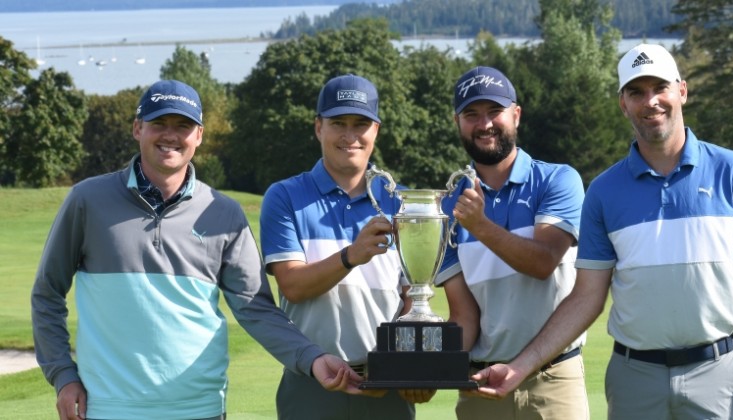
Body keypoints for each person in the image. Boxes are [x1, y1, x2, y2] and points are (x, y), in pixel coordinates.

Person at [470, 44, 733, 420]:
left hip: (716, 372)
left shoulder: (731, 171)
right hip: (633, 377)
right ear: (623, 104)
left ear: (682, 91)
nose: (651, 101)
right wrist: (520, 367)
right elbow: (586, 297)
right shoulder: (604, 191)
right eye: (636, 92)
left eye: (660, 87)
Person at [31, 80, 367, 420]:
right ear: (137, 129)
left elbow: (256, 309)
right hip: (108, 408)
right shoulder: (88, 200)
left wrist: (312, 358)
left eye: (183, 126)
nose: (170, 136)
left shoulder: (224, 212)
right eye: (159, 124)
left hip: (200, 409)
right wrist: (62, 375)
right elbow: (47, 294)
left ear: (199, 135)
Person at [259, 74, 420, 419]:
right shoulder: (285, 196)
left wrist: (402, 362)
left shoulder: (401, 201)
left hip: (387, 387)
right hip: (312, 383)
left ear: (375, 130)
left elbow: (412, 298)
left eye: (361, 124)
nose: (350, 136)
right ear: (319, 128)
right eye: (338, 123)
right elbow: (293, 286)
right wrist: (351, 256)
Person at [433, 66, 588, 419]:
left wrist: (480, 226)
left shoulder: (557, 180)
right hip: (480, 385)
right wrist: (424, 366)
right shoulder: (446, 208)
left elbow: (544, 261)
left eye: (494, 111)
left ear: (515, 115)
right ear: (457, 122)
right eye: (471, 114)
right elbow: (465, 316)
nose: (484, 123)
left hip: (553, 378)